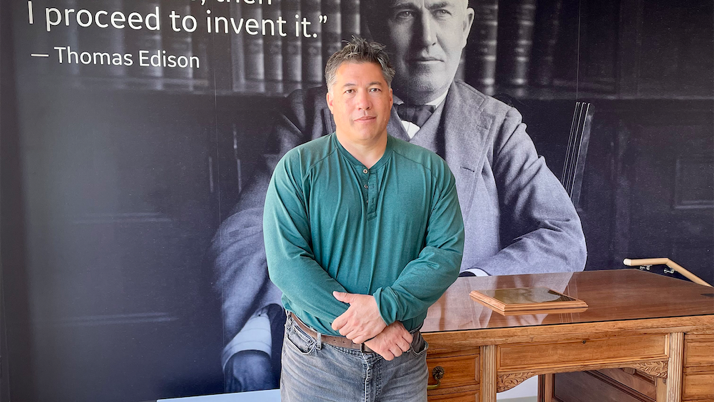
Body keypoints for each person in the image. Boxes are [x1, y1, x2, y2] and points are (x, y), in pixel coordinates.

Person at [212, 0, 587, 392]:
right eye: (405, 14)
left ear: (466, 27)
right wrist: (256, 336)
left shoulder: (497, 126)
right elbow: (247, 232)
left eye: (442, 13)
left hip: (460, 355)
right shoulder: (312, 116)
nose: (427, 39)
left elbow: (561, 235)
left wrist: (466, 287)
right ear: (374, 26)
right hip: (326, 350)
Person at [263, 38, 464, 400]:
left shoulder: (431, 171)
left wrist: (385, 307)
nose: (363, 101)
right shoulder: (297, 168)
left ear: (390, 97)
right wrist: (371, 328)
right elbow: (287, 262)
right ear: (331, 101)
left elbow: (445, 253)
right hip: (316, 361)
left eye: (374, 88)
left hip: (402, 362)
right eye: (350, 90)